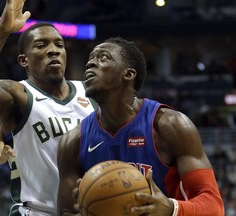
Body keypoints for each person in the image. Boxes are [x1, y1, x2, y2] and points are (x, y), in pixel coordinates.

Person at [0, 0, 96, 215]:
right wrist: (1, 32)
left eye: (59, 45)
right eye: (41, 46)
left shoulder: (92, 93)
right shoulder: (16, 93)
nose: (53, 51)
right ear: (24, 60)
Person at [57, 37, 225, 215]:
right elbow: (65, 212)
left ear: (128, 74)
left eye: (103, 57)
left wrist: (172, 209)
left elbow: (214, 206)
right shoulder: (73, 141)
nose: (90, 63)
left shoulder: (169, 126)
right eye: (90, 58)